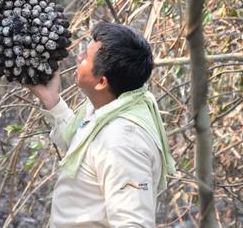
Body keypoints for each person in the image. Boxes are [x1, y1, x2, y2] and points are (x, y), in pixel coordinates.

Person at [26, 21, 175, 227]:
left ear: (102, 82)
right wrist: (52, 100)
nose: (78, 58)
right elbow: (87, 152)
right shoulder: (110, 106)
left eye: (85, 57)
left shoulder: (123, 143)